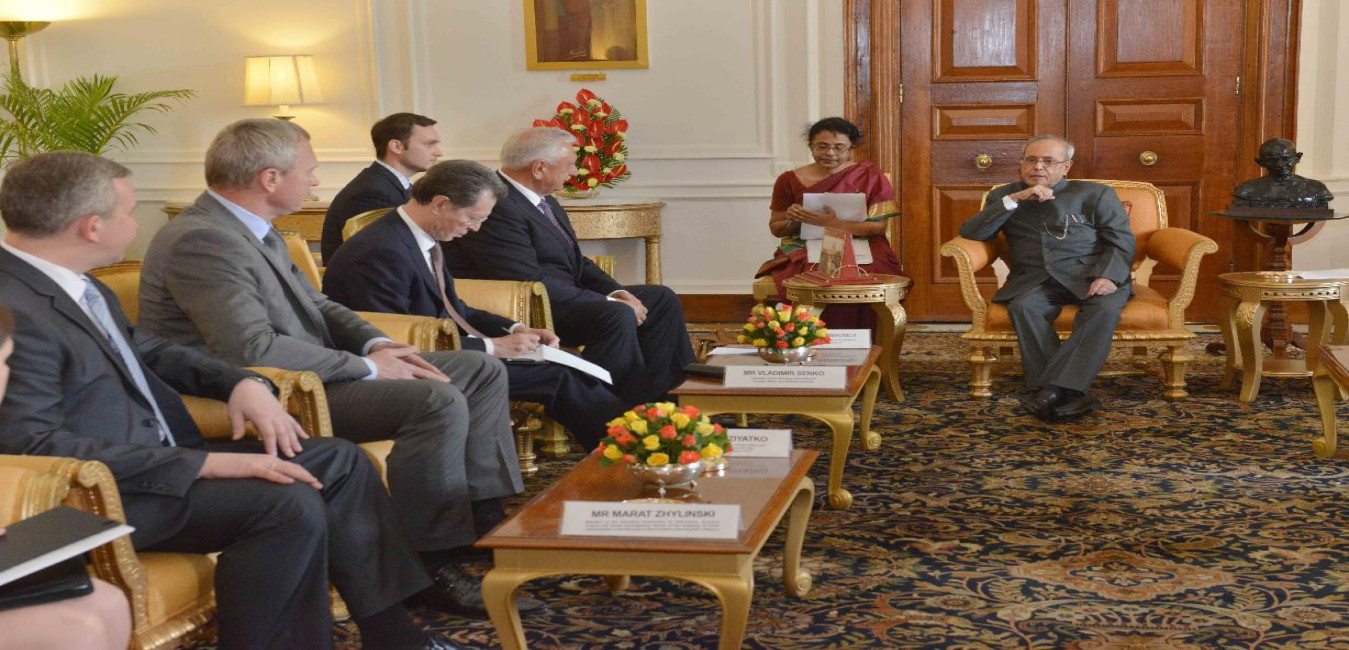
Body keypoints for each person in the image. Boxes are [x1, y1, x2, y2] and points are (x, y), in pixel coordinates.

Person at [0, 152, 456, 649]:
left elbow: (150, 350)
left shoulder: (74, 281)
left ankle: (394, 635)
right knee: (284, 503)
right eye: (128, 212)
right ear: (92, 226)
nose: (135, 225)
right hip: (102, 491)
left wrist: (241, 384)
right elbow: (32, 443)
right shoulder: (15, 306)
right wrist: (205, 464)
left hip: (158, 460)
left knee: (340, 462)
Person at [136, 119, 543, 618]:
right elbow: (250, 347)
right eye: (308, 171)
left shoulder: (253, 230)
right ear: (269, 178)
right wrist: (367, 367)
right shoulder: (203, 240)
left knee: (478, 370)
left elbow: (320, 305)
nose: (315, 181)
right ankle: (429, 562)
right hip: (267, 391)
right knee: (433, 399)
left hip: (315, 371)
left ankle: (477, 523)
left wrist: (378, 342)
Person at [323, 160, 629, 448]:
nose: (476, 229)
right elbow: (396, 340)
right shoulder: (381, 251)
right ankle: (627, 452)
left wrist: (516, 328)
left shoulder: (419, 238)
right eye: (472, 218)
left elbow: (455, 309)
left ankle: (631, 449)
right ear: (440, 203)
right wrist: (495, 347)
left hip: (447, 349)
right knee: (560, 379)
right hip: (410, 367)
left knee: (571, 371)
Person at [446, 127, 696, 405]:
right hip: (531, 305)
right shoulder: (499, 205)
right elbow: (525, 279)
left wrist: (617, 292)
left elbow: (577, 262)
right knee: (615, 314)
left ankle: (666, 398)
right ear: (539, 168)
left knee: (660, 298)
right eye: (569, 166)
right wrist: (609, 302)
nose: (575, 172)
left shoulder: (545, 200)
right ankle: (609, 407)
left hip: (564, 296)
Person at [958, 135, 1135, 423]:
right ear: (1021, 164)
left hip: (1091, 275)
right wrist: (1015, 200)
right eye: (1031, 160)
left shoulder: (1094, 194)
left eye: (1048, 161)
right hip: (1035, 280)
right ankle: (1068, 394)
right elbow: (972, 232)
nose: (1038, 167)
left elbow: (1121, 241)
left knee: (1103, 310)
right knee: (1023, 307)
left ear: (1066, 167)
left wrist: (1109, 276)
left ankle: (1050, 391)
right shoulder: (1005, 196)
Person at [757, 117, 906, 329]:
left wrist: (831, 223)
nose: (830, 153)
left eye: (839, 147)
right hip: (805, 245)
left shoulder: (869, 176)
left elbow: (877, 227)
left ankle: (869, 341)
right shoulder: (788, 180)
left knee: (872, 270)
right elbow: (776, 228)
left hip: (863, 242)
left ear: (851, 149)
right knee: (815, 272)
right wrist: (794, 219)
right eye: (822, 146)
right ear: (811, 146)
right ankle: (812, 337)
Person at [321, 112, 442, 262]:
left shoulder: (385, 184)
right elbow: (382, 257)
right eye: (429, 144)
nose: (438, 152)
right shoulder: (372, 193)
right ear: (396, 146)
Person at [1232, 138, 1334, 209]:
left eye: (1286, 159)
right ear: (1261, 162)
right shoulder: (1246, 190)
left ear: (1297, 158)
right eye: (1272, 160)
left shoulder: (1316, 189)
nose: (1280, 165)